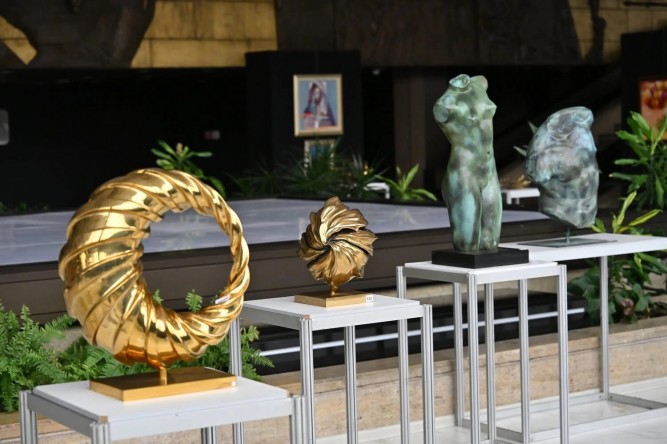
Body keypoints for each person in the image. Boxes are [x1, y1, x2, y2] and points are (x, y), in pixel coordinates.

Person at [433, 73, 502, 252]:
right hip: (464, 171)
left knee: (491, 243)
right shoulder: (445, 103)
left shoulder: (480, 84)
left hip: (489, 168)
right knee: (466, 245)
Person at [524, 106, 599, 230]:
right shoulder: (550, 156)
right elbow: (536, 174)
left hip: (581, 212)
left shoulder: (584, 152)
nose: (592, 147)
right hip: (561, 210)